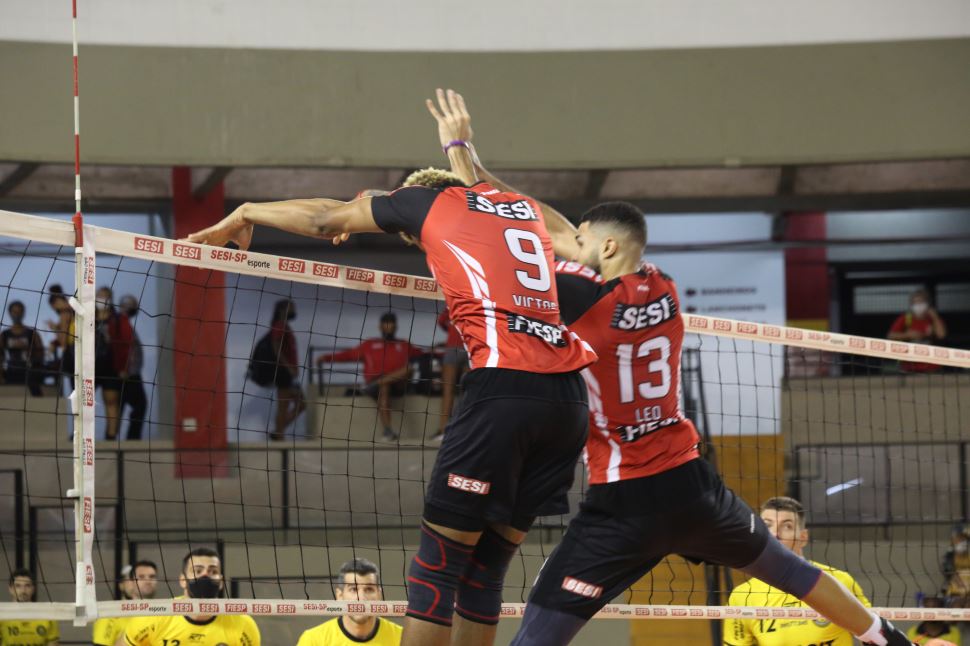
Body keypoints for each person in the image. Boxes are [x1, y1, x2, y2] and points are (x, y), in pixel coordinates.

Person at [434, 95, 932, 646]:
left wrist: (460, 162)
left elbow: (520, 235)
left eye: (581, 240)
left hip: (623, 501)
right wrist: (476, 165)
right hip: (694, 488)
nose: (568, 244)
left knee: (540, 622)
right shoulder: (663, 286)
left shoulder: (580, 296)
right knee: (796, 575)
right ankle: (887, 638)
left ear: (604, 246)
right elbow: (554, 227)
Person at [185, 88, 596, 646]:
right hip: (568, 403)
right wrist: (464, 149)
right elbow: (575, 241)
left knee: (435, 572)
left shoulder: (425, 202)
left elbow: (327, 215)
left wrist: (245, 210)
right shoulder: (523, 210)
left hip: (506, 391)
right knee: (486, 572)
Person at [723, 497, 872, 645]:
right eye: (767, 525)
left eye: (787, 526)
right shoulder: (743, 596)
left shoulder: (839, 581)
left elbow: (873, 635)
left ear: (803, 537)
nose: (775, 534)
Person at [118, 547, 259, 646]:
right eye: (197, 570)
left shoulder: (243, 624)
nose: (205, 576)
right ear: (183, 580)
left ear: (221, 582)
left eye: (213, 571)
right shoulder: (152, 617)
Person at [316, 312, 424, 442]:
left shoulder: (405, 345)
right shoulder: (369, 344)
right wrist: (326, 358)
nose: (389, 326)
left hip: (399, 384)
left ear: (396, 326)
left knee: (409, 369)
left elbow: (424, 353)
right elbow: (348, 355)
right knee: (384, 387)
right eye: (386, 323)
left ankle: (378, 383)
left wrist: (442, 350)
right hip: (378, 385)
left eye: (392, 323)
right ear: (381, 326)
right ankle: (388, 431)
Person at [296, 558, 402, 646]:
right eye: (353, 589)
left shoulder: (403, 638)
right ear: (340, 596)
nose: (361, 598)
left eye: (369, 589)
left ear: (379, 595)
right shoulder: (313, 640)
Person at [94, 287, 133, 440]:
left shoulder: (118, 319)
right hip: (90, 366)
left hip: (111, 365)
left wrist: (124, 367)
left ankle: (111, 437)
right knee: (84, 401)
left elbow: (127, 344)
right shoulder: (87, 317)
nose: (101, 299)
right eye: (99, 296)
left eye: (105, 297)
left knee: (111, 401)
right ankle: (80, 435)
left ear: (110, 299)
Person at [92, 560, 158, 646]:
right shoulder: (110, 615)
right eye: (141, 577)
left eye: (152, 576)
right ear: (131, 582)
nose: (148, 581)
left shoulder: (164, 613)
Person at [267, 299, 306, 440]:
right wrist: (289, 368)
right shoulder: (279, 326)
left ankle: (278, 432)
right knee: (284, 405)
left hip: (287, 374)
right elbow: (276, 349)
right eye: (292, 308)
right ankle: (279, 435)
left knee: (301, 404)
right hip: (283, 373)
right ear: (283, 310)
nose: (294, 311)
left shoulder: (284, 326)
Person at [888, 289, 948, 372]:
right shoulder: (905, 318)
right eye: (915, 303)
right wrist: (908, 335)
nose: (918, 305)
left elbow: (941, 335)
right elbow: (891, 335)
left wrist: (934, 316)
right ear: (911, 305)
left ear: (927, 304)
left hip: (931, 366)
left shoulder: (933, 319)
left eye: (921, 302)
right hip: (909, 366)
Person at [431, 308, 467, 443]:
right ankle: (462, 430)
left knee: (448, 390)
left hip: (453, 346)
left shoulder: (453, 301)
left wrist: (452, 330)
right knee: (466, 392)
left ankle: (443, 430)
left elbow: (441, 321)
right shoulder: (475, 299)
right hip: (469, 345)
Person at [117, 295, 148, 440]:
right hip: (127, 373)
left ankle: (129, 437)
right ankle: (130, 438)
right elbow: (122, 348)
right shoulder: (120, 322)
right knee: (137, 405)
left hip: (129, 372)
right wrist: (123, 368)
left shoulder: (124, 323)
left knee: (125, 406)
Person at [2, 569, 59, 645]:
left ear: (33, 589)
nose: (23, 590)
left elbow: (52, 643)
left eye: (27, 585)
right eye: (18, 586)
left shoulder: (48, 616)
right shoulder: (2, 616)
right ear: (10, 589)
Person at [0, 301, 45, 396]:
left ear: (23, 313)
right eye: (14, 312)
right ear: (10, 313)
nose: (17, 315)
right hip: (10, 371)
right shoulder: (5, 334)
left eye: (19, 312)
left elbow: (41, 353)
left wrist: (28, 348)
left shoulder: (31, 333)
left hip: (29, 371)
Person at [45, 285, 74, 393]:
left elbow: (63, 339)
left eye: (54, 305)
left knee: (75, 386)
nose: (54, 308)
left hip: (72, 352)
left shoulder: (64, 314)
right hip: (76, 349)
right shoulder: (72, 312)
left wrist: (55, 331)